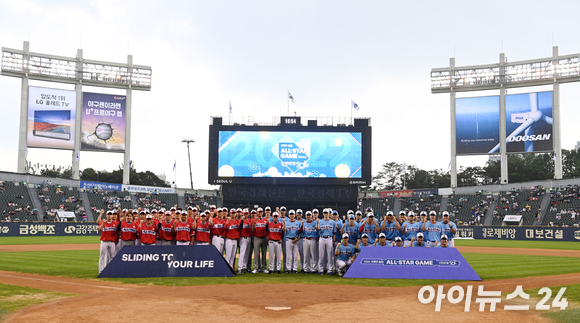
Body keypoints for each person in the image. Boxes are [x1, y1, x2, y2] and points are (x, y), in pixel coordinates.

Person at [317, 209, 335, 275]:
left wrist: (334, 240)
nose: (326, 214)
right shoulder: (320, 221)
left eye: (327, 213)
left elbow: (334, 232)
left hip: (329, 238)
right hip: (321, 238)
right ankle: (320, 269)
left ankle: (330, 270)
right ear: (323, 213)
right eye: (324, 213)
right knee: (321, 255)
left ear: (329, 213)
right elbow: (318, 229)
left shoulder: (332, 222)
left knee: (330, 254)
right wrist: (317, 223)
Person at [284, 209, 302, 274]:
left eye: (293, 214)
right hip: (288, 239)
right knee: (288, 255)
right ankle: (288, 269)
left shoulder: (298, 223)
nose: (291, 216)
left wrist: (298, 238)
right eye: (290, 214)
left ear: (295, 215)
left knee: (295, 256)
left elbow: (300, 232)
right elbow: (284, 231)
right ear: (289, 215)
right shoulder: (286, 222)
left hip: (296, 240)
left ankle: (295, 269)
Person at [252, 207, 268, 274]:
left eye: (261, 212)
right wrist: (255, 221)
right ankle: (256, 268)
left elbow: (267, 229)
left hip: (264, 237)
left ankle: (264, 268)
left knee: (264, 253)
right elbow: (252, 229)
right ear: (257, 213)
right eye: (259, 212)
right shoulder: (254, 220)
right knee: (256, 253)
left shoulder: (265, 220)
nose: (260, 213)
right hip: (257, 237)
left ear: (263, 213)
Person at [237, 210, 253, 274]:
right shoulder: (240, 220)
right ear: (243, 214)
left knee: (247, 253)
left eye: (246, 213)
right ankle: (240, 268)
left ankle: (244, 267)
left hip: (248, 238)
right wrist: (242, 220)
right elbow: (240, 227)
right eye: (244, 213)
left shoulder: (249, 220)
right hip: (243, 238)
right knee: (242, 253)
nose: (246, 215)